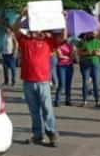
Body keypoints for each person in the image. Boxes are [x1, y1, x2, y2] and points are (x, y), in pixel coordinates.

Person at [13, 9, 66, 147]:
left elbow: (63, 38)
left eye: (36, 29)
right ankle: (37, 135)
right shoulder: (25, 41)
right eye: (32, 28)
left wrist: (63, 20)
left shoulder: (48, 41)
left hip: (42, 81)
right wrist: (22, 15)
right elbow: (15, 29)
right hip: (28, 81)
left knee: (47, 109)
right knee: (34, 111)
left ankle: (52, 133)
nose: (34, 31)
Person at [77, 31, 100, 108]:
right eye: (92, 33)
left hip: (95, 64)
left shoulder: (98, 41)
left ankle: (97, 101)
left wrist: (96, 53)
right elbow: (79, 53)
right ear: (88, 33)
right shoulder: (82, 42)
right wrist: (88, 52)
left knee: (96, 83)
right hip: (85, 64)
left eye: (95, 34)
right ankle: (84, 101)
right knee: (85, 82)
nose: (93, 35)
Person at [54, 38, 75, 107]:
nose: (65, 38)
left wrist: (73, 50)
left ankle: (68, 100)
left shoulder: (70, 45)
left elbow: (72, 57)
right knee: (62, 83)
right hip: (61, 66)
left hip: (69, 66)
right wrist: (68, 57)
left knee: (68, 84)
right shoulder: (58, 45)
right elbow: (60, 56)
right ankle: (57, 100)